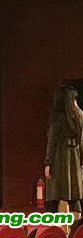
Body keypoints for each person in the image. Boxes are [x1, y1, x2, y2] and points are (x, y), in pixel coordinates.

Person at [44, 85, 83, 218]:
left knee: (62, 195)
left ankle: (63, 227)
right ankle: (74, 227)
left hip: (60, 158)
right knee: (75, 196)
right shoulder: (80, 116)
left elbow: (51, 141)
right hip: (76, 159)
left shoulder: (57, 118)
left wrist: (48, 163)